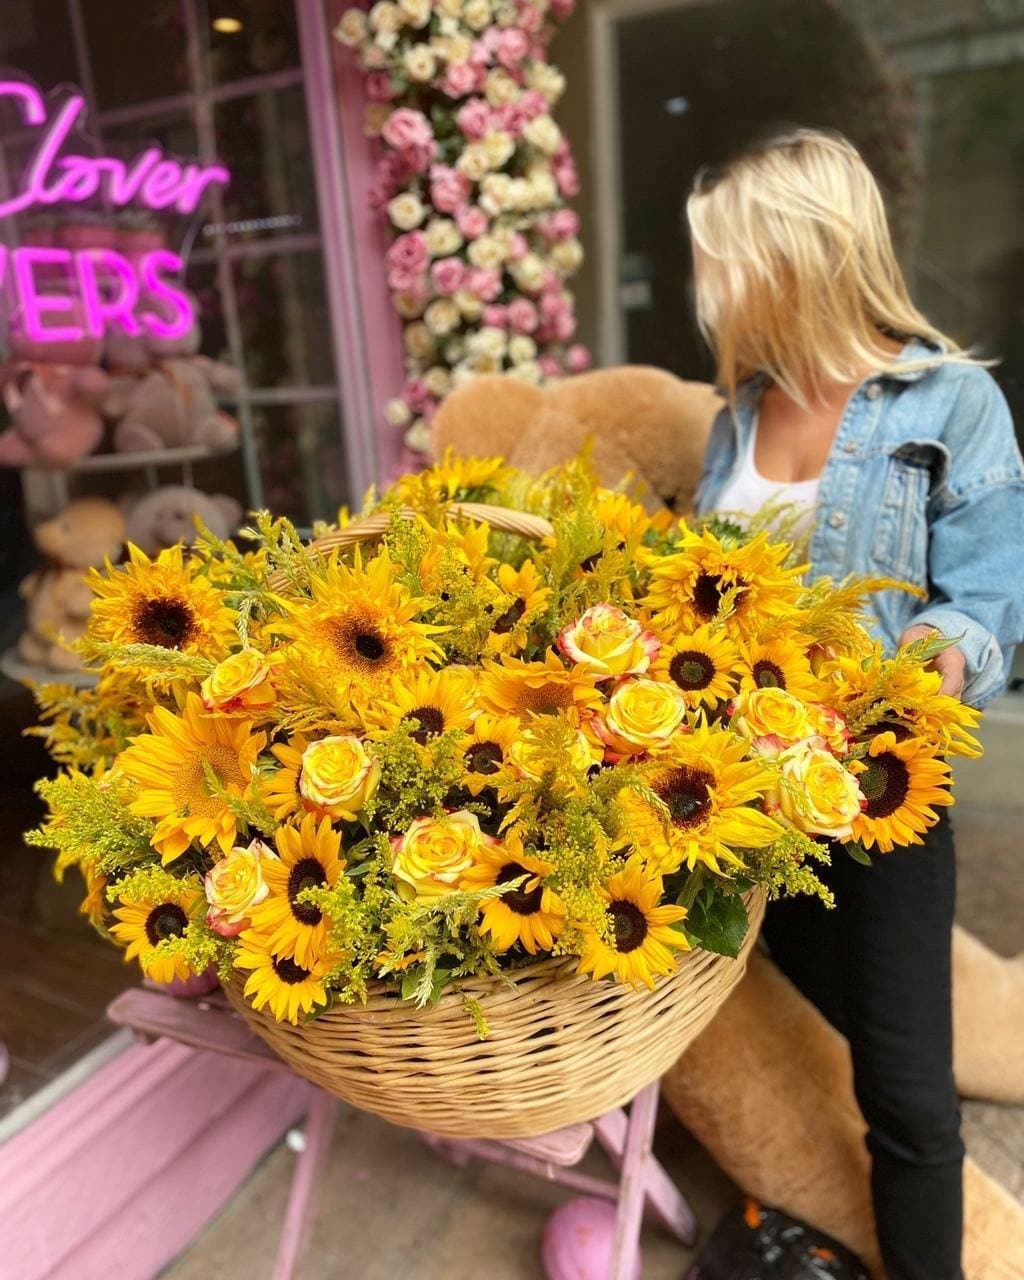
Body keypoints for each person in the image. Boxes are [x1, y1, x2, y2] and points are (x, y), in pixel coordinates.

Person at [686, 128, 1024, 1280]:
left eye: (722, 260)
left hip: (876, 801)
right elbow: (697, 601)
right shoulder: (741, 413)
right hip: (739, 809)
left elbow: (988, 601)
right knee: (789, 1035)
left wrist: (907, 668)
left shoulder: (950, 403)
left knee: (906, 1091)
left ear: (794, 255)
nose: (709, 287)